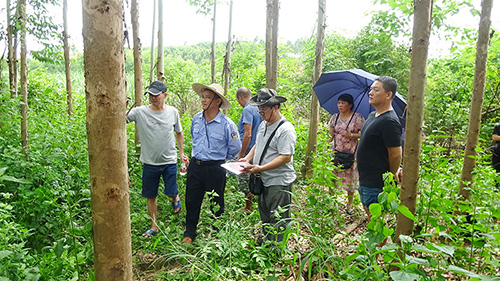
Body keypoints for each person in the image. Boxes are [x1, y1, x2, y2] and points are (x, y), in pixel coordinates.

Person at [182, 83, 241, 245]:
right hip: (196, 166)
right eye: (202, 97)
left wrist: (220, 159)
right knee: (192, 199)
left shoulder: (227, 124)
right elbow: (195, 140)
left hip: (216, 168)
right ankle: (189, 233)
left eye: (207, 97)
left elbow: (235, 147)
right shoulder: (196, 119)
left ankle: (217, 233)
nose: (203, 100)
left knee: (217, 201)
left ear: (217, 101)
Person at [127, 81, 185, 238]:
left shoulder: (173, 112)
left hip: (169, 161)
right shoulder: (140, 112)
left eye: (156, 95)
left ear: (165, 95)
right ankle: (154, 226)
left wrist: (181, 152)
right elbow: (122, 119)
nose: (152, 98)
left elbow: (179, 133)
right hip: (150, 162)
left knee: (170, 190)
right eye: (150, 95)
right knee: (150, 196)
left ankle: (175, 197)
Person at [239, 88, 297, 245]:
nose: (261, 112)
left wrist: (260, 168)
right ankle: (268, 243)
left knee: (279, 217)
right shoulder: (264, 125)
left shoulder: (285, 129)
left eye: (264, 109)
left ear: (275, 107)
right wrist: (247, 158)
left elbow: (285, 157)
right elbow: (259, 144)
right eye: (259, 109)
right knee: (265, 214)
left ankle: (276, 250)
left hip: (278, 181)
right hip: (263, 179)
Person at [356, 76, 402, 219]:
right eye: (371, 89)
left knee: (377, 224)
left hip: (376, 183)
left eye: (376, 90)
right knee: (371, 218)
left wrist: (392, 174)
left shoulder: (389, 121)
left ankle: (381, 242)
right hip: (365, 178)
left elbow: (395, 154)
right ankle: (379, 242)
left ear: (388, 95)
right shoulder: (372, 115)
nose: (371, 93)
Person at [327, 93, 365, 214]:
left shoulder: (357, 118)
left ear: (350, 105)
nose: (340, 105)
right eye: (339, 103)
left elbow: (364, 133)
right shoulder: (335, 117)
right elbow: (331, 134)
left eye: (343, 103)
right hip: (336, 152)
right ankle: (331, 202)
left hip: (351, 153)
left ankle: (349, 205)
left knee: (350, 179)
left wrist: (351, 135)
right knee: (332, 176)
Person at [236, 87, 263, 211]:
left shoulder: (247, 109)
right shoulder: (258, 108)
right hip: (260, 150)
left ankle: (249, 206)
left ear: (240, 98)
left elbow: (248, 134)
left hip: (249, 151)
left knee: (245, 180)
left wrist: (242, 154)